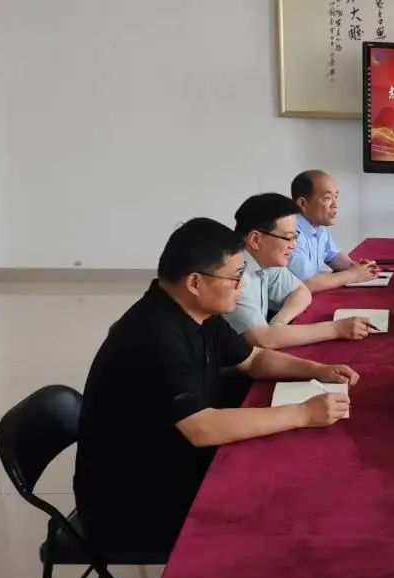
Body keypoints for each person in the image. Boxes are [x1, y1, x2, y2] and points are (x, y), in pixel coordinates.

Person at [74, 218, 359, 552]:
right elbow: (202, 428)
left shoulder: (197, 312)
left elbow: (253, 359)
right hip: (133, 502)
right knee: (291, 505)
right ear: (195, 282)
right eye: (235, 278)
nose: (242, 286)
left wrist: (317, 370)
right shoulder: (152, 337)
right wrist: (302, 414)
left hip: (174, 459)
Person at [225, 193, 372, 349]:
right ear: (255, 240)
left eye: (296, 237)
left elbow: (301, 291)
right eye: (288, 238)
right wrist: (336, 329)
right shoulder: (235, 276)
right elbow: (263, 339)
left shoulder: (267, 262)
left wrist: (278, 324)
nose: (294, 245)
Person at [287, 170, 379, 292]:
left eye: (336, 197)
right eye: (327, 198)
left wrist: (357, 267)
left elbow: (333, 256)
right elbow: (307, 283)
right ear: (303, 203)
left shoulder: (319, 229)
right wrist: (353, 274)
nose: (335, 205)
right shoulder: (290, 233)